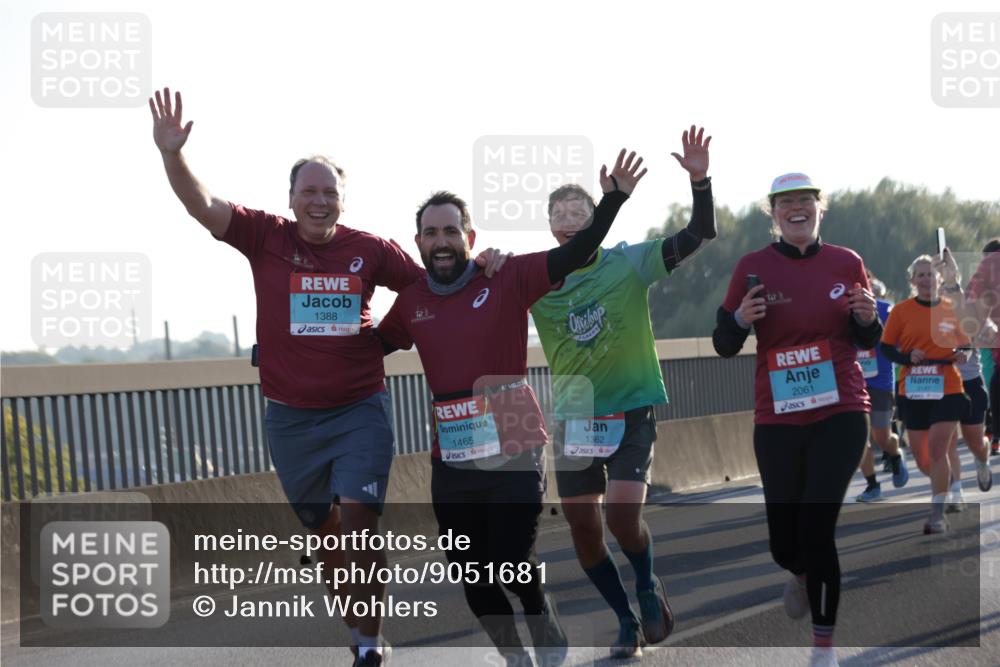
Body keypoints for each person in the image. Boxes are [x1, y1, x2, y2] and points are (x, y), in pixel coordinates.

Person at [148, 87, 508, 667]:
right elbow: (203, 205)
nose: (319, 201)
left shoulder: (370, 250)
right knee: (328, 534)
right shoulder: (264, 236)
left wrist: (484, 260)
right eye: (308, 192)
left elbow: (435, 281)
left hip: (359, 409)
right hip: (291, 419)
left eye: (329, 192)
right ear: (291, 199)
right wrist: (172, 154)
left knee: (360, 521)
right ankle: (359, 622)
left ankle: (369, 642)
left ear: (343, 200)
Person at [376, 150, 645, 667]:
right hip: (452, 458)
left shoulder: (507, 276)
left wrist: (612, 202)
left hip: (516, 443)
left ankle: (539, 608)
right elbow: (368, 346)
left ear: (470, 239)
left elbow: (577, 251)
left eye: (451, 231)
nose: (441, 242)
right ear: (419, 244)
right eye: (430, 233)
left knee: (511, 562)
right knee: (473, 577)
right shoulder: (411, 302)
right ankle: (515, 655)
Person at [530, 126, 715, 658]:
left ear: (596, 220)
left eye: (577, 212)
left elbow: (698, 233)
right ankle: (625, 620)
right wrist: (488, 257)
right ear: (549, 227)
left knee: (621, 518)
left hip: (632, 410)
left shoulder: (629, 261)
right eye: (558, 215)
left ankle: (646, 582)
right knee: (585, 532)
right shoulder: (538, 280)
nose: (567, 222)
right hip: (576, 419)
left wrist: (700, 183)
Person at [712, 173, 881, 667]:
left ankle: (823, 647)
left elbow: (867, 338)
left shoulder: (846, 262)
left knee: (818, 525)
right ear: (774, 214)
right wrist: (741, 319)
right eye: (786, 203)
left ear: (820, 209)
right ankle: (799, 571)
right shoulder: (752, 267)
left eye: (806, 200)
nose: (797, 209)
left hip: (841, 410)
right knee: (785, 542)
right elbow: (723, 344)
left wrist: (869, 318)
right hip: (778, 416)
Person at [879, 254, 982, 535]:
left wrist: (962, 354)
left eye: (931, 274)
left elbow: (968, 344)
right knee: (923, 457)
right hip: (913, 388)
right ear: (912, 280)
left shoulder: (951, 309)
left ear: (939, 279)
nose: (926, 279)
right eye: (920, 275)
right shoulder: (900, 312)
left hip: (948, 385)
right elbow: (886, 348)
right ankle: (944, 480)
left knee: (938, 448)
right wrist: (907, 356)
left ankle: (937, 514)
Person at [855, 273, 910, 502]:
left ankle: (895, 454)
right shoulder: (844, 311)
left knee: (881, 436)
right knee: (857, 438)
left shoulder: (888, 311)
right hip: (852, 383)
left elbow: (904, 341)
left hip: (880, 382)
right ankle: (872, 485)